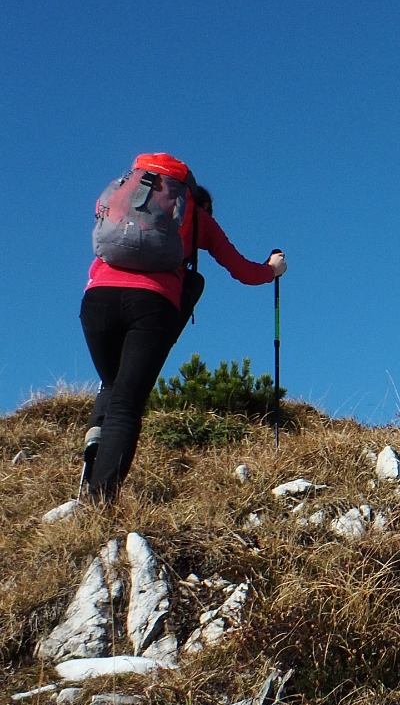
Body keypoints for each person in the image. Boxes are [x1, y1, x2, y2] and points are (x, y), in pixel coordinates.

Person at [80, 153, 286, 503]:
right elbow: (243, 270)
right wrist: (273, 269)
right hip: (152, 305)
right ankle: (101, 502)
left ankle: (95, 431)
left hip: (96, 301)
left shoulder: (125, 200)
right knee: (128, 404)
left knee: (113, 384)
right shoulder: (195, 215)